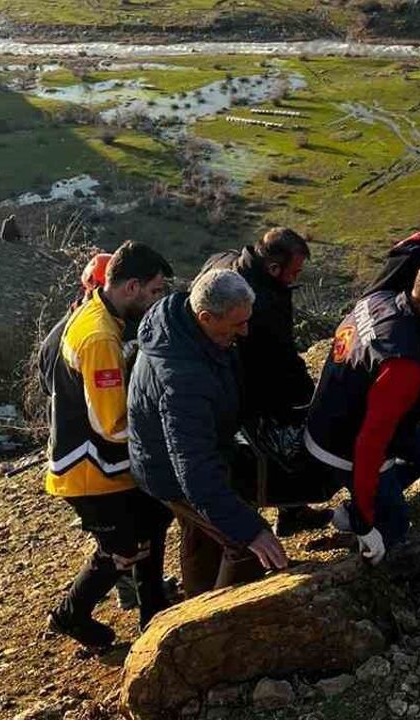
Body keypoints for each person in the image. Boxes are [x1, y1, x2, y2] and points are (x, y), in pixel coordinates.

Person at [40, 240, 175, 647]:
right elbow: (111, 424)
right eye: (154, 291)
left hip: (106, 464)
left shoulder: (101, 315)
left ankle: (155, 614)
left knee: (153, 524)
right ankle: (70, 615)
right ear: (131, 287)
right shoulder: (99, 336)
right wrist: (165, 428)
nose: (157, 301)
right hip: (89, 470)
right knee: (124, 549)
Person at [128, 269, 289, 597]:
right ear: (205, 316)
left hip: (175, 456)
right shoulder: (183, 379)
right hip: (168, 470)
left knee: (202, 538)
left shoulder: (183, 324)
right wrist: (252, 531)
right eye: (236, 325)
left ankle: (196, 605)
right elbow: (193, 468)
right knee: (243, 546)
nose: (244, 333)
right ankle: (221, 626)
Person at [305, 256, 420, 564]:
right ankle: (369, 558)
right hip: (341, 444)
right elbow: (371, 444)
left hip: (327, 415)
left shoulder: (380, 299)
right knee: (395, 525)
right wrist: (365, 520)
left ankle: (374, 500)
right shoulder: (401, 364)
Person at [199, 228, 330, 537]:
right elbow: (280, 357)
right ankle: (258, 530)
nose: (294, 278)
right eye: (293, 272)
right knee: (272, 453)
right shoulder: (263, 301)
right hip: (247, 388)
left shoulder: (225, 262)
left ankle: (290, 512)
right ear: (273, 267)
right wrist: (309, 396)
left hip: (222, 377)